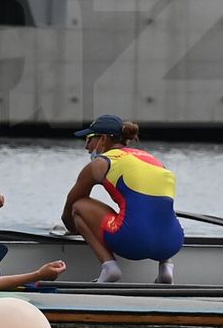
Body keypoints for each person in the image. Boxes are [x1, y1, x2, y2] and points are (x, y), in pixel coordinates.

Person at [62, 114, 184, 283]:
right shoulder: (154, 161)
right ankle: (166, 268)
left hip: (132, 243)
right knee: (156, 208)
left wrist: (73, 228)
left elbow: (69, 208)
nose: (86, 146)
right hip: (173, 242)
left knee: (79, 206)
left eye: (89, 138)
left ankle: (109, 268)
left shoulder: (101, 164)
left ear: (103, 139)